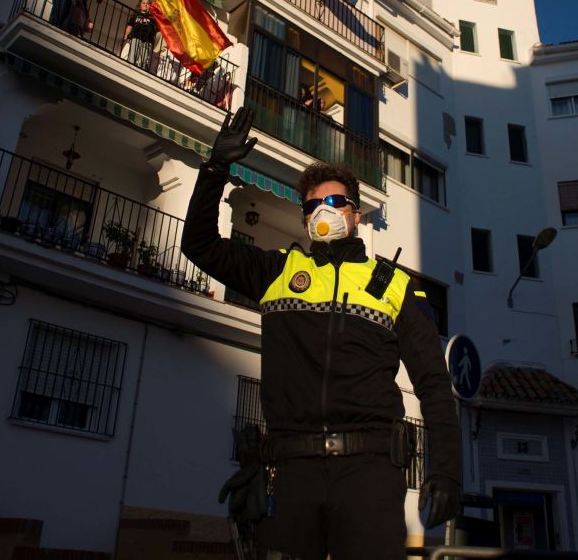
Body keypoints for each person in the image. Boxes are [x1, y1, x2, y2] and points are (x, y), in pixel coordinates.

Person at [182, 108, 462, 560]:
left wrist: (448, 471)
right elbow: (198, 245)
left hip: (372, 472)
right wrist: (215, 169)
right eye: (312, 205)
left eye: (334, 203)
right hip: (292, 473)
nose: (322, 212)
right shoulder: (277, 271)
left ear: (354, 214)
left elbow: (432, 382)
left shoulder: (392, 286)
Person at [122, 0, 159, 71]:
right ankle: (129, 70)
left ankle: (138, 71)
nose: (145, 4)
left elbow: (157, 28)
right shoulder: (135, 15)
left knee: (142, 61)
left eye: (147, 3)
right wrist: (126, 35)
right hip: (136, 37)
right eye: (143, 3)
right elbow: (130, 25)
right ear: (140, 5)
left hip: (147, 40)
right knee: (132, 57)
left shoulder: (152, 17)